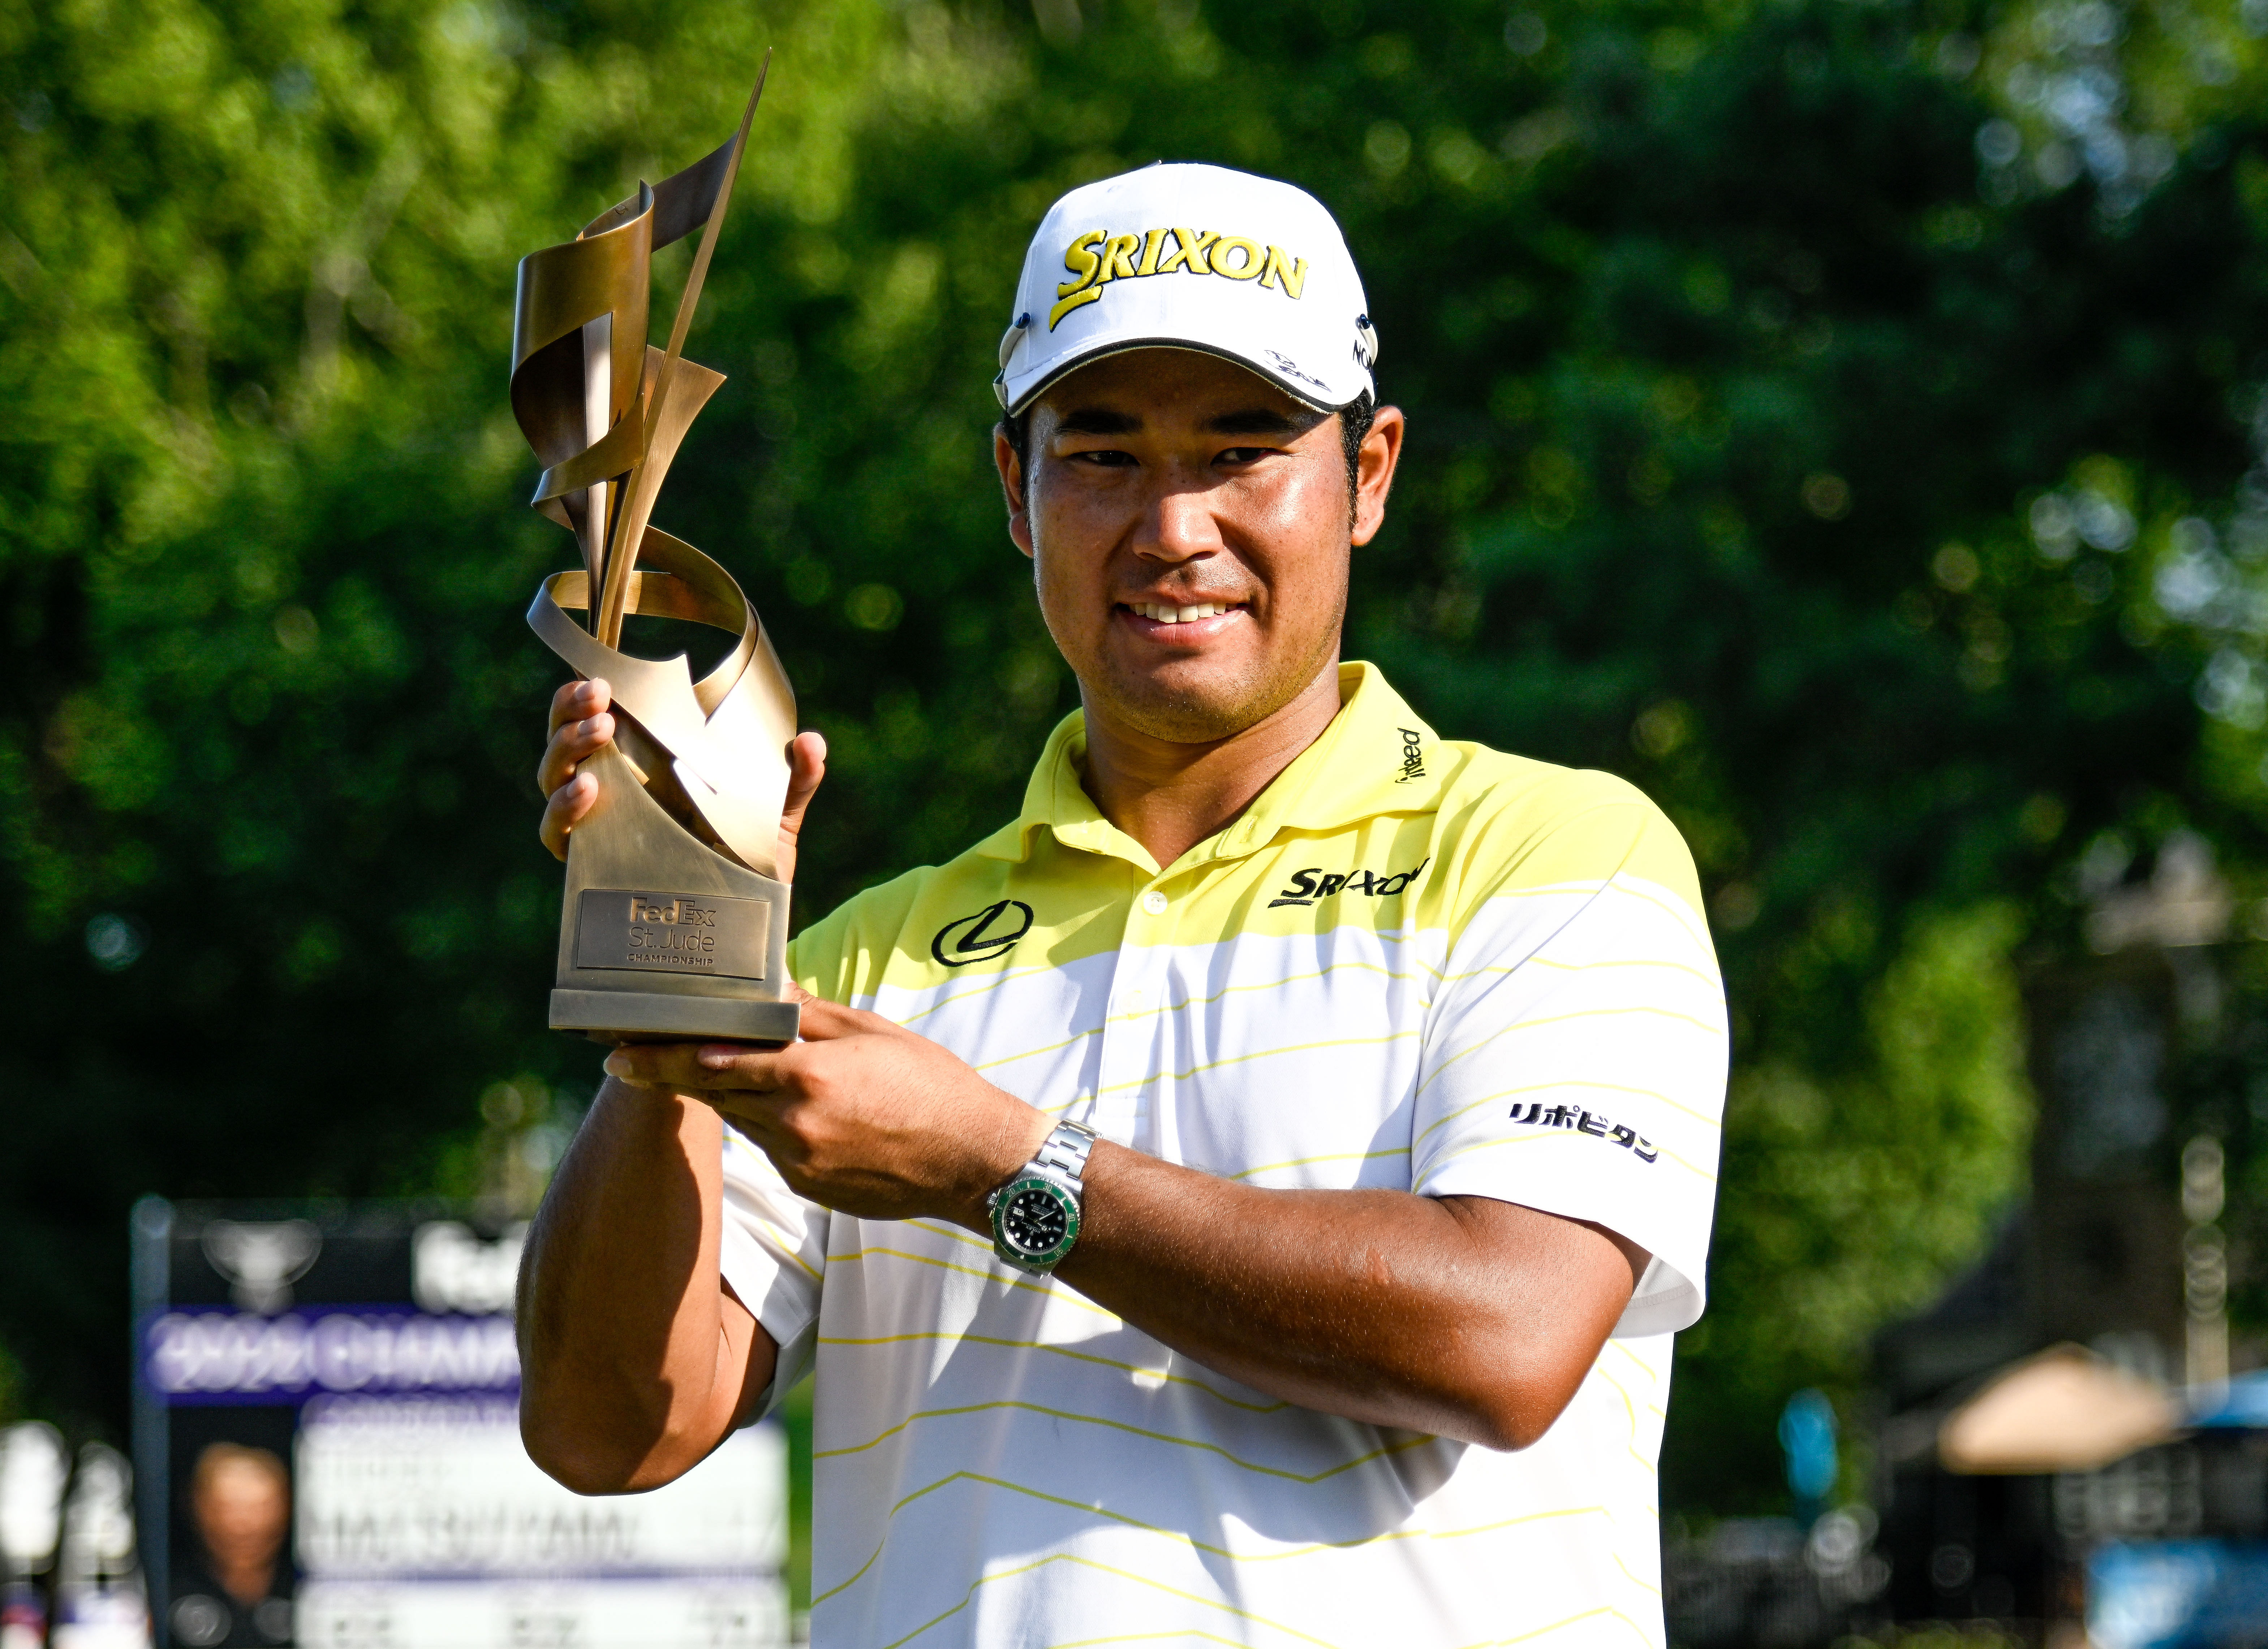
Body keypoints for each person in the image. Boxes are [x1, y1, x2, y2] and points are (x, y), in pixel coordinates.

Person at [518, 162, 1729, 1648]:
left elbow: (1503, 1335)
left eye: (1240, 449)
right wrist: (672, 1010)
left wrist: (995, 1165)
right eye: (1101, 453)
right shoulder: (865, 960)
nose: (1172, 526)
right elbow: (606, 1428)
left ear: (1369, 473)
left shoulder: (1554, 851)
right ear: (1013, 491)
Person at [167, 1444, 293, 1648]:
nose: (242, 1527)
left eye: (259, 1508)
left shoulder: (310, 1592)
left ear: (287, 1508)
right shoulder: (166, 1592)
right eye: (227, 1508)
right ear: (198, 1507)